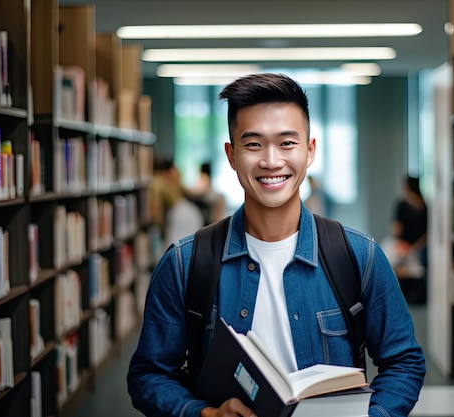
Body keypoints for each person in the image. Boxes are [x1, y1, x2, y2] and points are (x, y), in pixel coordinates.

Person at [127, 73, 425, 417]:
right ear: (231, 154)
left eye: (287, 143)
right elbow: (148, 375)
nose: (271, 161)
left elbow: (404, 361)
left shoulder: (360, 256)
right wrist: (204, 414)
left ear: (310, 150)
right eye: (253, 144)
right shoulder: (184, 262)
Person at [150, 158, 205, 250]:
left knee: (175, 248)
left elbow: (156, 213)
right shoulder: (175, 176)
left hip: (179, 215)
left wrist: (161, 227)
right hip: (190, 212)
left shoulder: (157, 182)